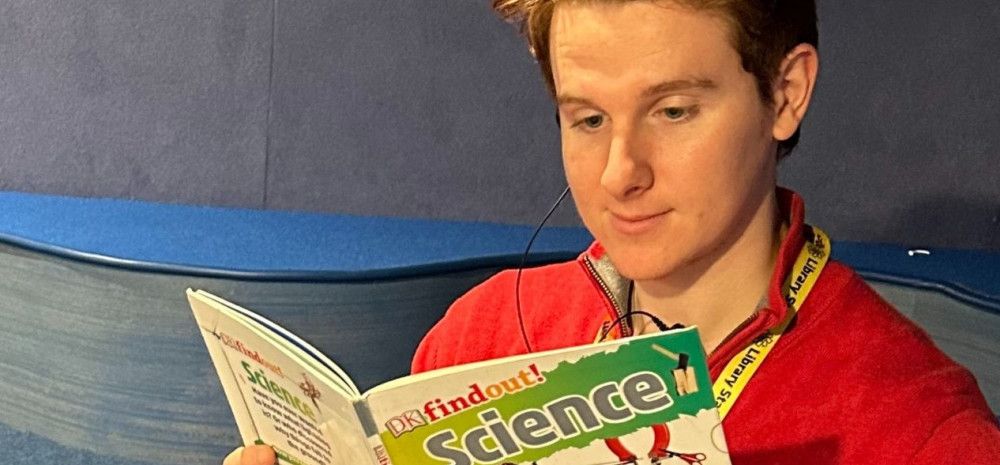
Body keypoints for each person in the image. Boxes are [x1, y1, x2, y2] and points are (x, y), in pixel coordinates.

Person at [226, 1, 1000, 464]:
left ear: (785, 92)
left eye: (673, 111)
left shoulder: (919, 431)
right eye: (588, 118)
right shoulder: (481, 337)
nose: (619, 172)